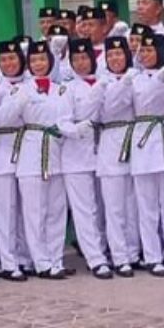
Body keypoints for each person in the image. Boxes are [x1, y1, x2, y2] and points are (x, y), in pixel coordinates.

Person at [0, 41, 69, 280]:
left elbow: (66, 118)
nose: (39, 64)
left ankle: (56, 259)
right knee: (34, 212)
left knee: (56, 211)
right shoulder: (21, 89)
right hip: (31, 152)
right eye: (34, 60)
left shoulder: (61, 89)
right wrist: (19, 101)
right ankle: (41, 261)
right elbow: (3, 119)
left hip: (56, 152)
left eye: (43, 59)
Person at [59, 38, 111, 279]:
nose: (81, 63)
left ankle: (107, 250)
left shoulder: (105, 81)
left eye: (84, 57)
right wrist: (78, 129)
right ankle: (95, 258)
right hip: (76, 155)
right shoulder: (67, 88)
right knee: (85, 210)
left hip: (102, 151)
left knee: (104, 207)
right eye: (75, 59)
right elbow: (62, 122)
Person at [131, 34, 164, 276]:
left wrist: (163, 79)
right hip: (143, 139)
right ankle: (153, 256)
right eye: (143, 51)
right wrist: (157, 83)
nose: (145, 55)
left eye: (150, 50)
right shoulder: (133, 78)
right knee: (147, 206)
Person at [94, 36, 140, 277]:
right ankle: (119, 256)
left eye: (119, 53)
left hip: (135, 143)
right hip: (111, 143)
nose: (115, 58)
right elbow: (106, 111)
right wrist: (124, 84)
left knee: (133, 206)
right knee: (114, 207)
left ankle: (134, 253)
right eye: (110, 55)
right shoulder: (102, 82)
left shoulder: (137, 76)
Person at [0, 41, 29, 282]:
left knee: (26, 209)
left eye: (12, 58)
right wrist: (17, 103)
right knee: (5, 210)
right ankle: (8, 260)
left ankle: (25, 257)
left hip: (27, 148)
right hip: (2, 150)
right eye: (3, 59)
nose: (8, 63)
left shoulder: (31, 82)